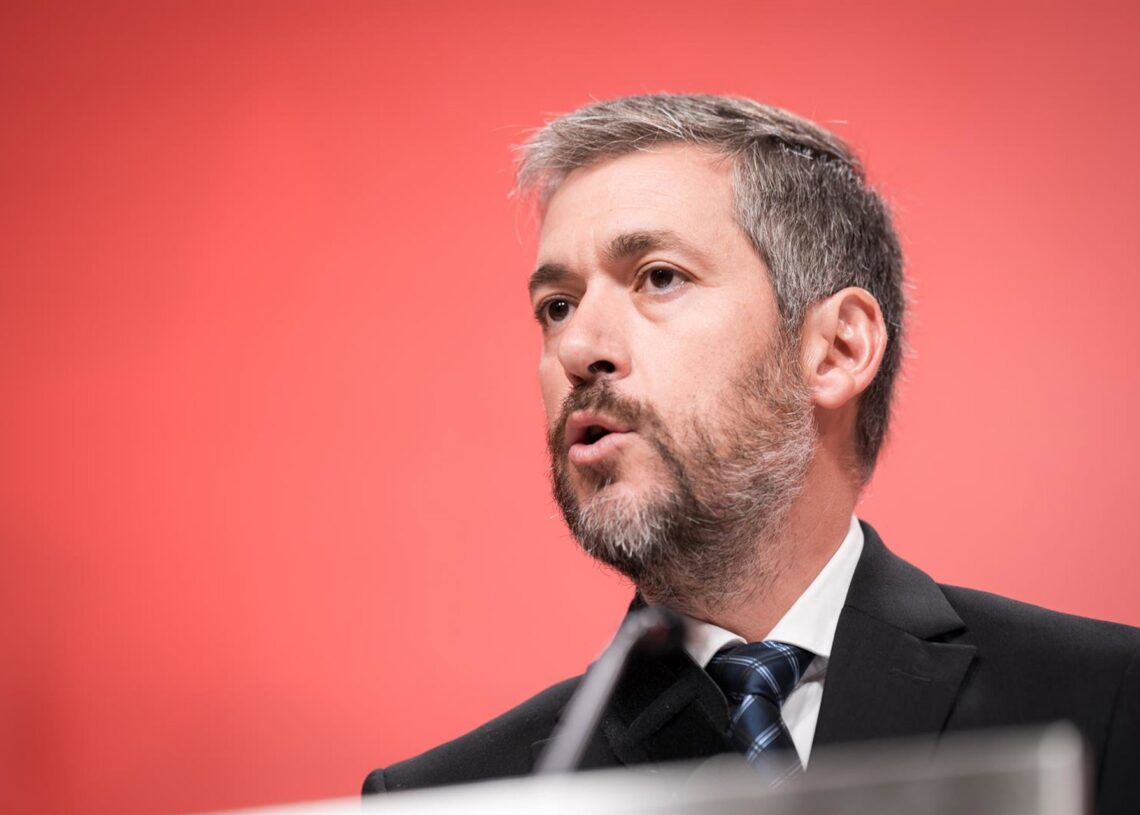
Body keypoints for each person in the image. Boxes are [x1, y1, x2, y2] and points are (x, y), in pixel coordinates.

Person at [362, 94, 1140, 812]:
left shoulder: (1106, 700)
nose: (579, 345)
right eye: (556, 306)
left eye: (658, 277)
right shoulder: (454, 797)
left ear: (837, 347)